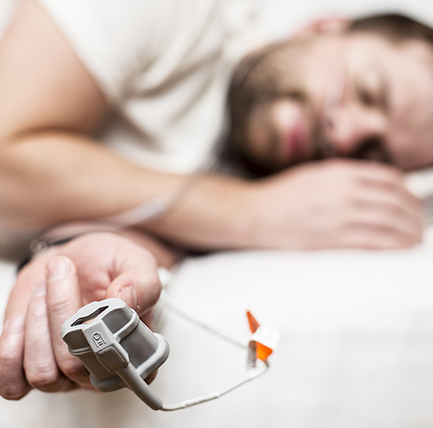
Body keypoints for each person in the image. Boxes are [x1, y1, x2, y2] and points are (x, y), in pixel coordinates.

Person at [0, 0, 432, 399]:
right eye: (367, 90)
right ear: (322, 28)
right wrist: (249, 212)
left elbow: (137, 233)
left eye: (371, 153)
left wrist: (76, 258)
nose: (348, 132)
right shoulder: (173, 13)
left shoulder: (273, 181)